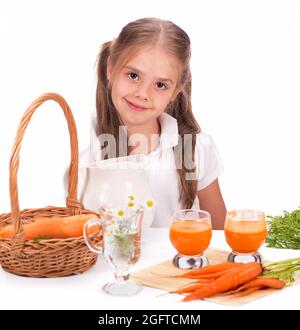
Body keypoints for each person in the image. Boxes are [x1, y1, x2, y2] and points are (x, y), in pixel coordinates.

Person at [79, 17, 226, 229]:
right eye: (133, 75)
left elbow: (220, 234)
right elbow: (81, 240)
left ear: (176, 90)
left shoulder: (196, 149)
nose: (142, 94)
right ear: (110, 68)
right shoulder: (88, 159)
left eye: (159, 84)